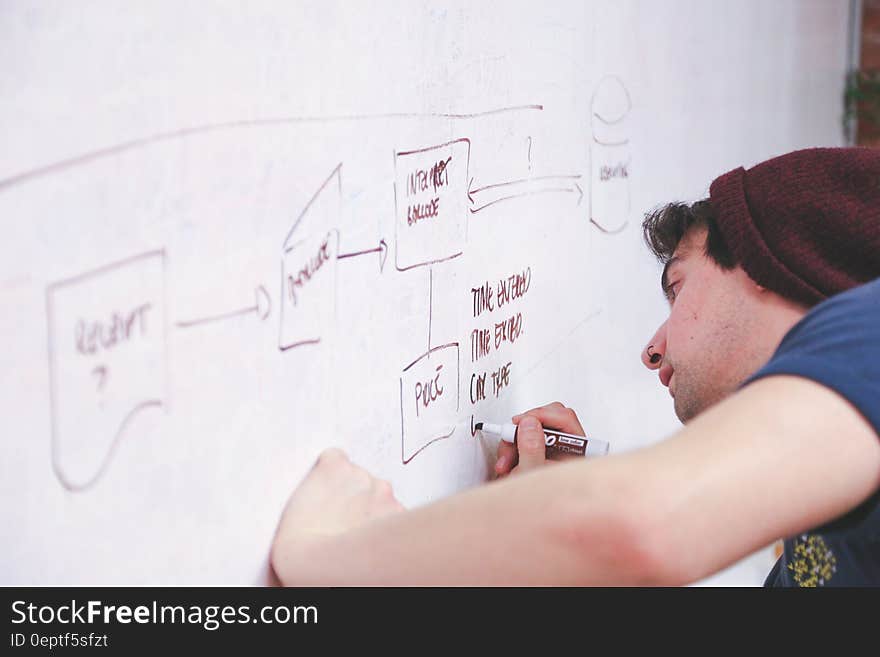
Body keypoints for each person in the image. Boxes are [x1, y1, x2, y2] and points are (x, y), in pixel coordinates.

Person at [271, 147, 880, 586]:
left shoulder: (870, 334)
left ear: (765, 263)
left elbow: (639, 529)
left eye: (678, 288)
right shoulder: (821, 528)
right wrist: (545, 533)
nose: (652, 348)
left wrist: (322, 558)